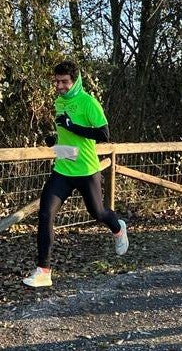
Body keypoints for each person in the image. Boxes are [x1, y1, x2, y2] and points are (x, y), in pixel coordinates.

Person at [22, 60, 128, 288]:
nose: (59, 86)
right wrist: (55, 139)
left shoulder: (88, 102)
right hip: (63, 168)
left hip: (87, 170)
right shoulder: (59, 102)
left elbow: (103, 134)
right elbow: (65, 135)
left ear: (75, 80)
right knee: (45, 214)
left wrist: (71, 127)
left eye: (64, 82)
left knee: (98, 212)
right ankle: (43, 271)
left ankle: (118, 228)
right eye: (57, 82)